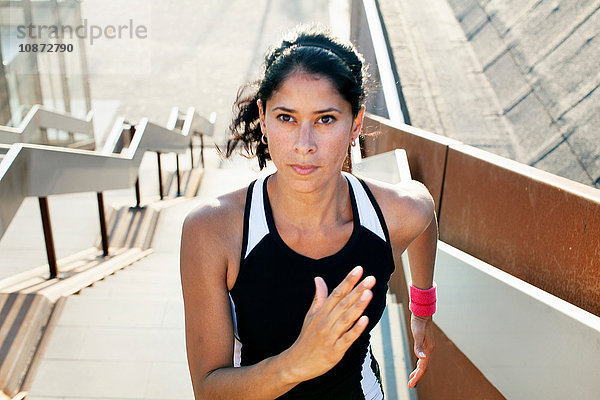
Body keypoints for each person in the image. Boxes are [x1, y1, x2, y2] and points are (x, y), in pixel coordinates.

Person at [180, 25, 438, 399]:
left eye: (325, 119)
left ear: (356, 123)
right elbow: (208, 390)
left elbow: (425, 210)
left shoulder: (390, 215)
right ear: (263, 118)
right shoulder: (214, 230)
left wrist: (422, 307)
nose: (304, 145)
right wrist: (298, 362)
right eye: (287, 117)